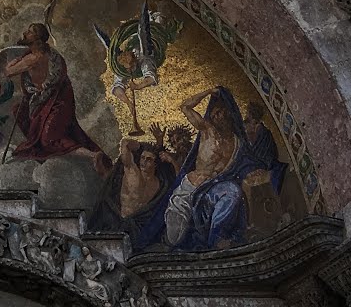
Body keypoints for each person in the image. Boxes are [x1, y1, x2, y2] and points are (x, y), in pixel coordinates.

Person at [156, 87, 252, 251]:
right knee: (174, 238)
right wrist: (207, 93)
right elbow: (185, 107)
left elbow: (246, 165)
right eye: (213, 114)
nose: (215, 117)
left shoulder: (238, 143)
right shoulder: (207, 130)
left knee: (233, 191)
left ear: (229, 112)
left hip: (212, 190)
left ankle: (216, 239)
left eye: (219, 113)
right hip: (190, 189)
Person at [2, 23, 104, 164]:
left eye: (30, 32)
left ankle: (92, 156)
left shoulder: (32, 58)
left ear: (37, 39)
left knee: (49, 139)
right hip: (49, 101)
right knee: (19, 111)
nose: (25, 33)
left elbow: (8, 72)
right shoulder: (50, 53)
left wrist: (13, 62)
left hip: (54, 103)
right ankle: (53, 154)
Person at [89, 140, 176, 248]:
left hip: (140, 229)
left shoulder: (160, 184)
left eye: (149, 159)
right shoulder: (132, 171)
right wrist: (140, 146)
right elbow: (125, 143)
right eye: (142, 158)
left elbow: (179, 182)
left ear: (155, 164)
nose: (144, 162)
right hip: (119, 224)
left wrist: (172, 161)